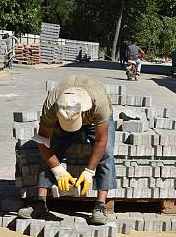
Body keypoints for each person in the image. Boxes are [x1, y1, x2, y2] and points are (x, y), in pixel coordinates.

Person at [18, 75, 116, 225]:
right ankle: (40, 204)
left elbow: (101, 140)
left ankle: (100, 205)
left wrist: (89, 172)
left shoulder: (99, 103)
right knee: (52, 150)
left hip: (93, 120)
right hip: (61, 120)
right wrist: (58, 170)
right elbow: (43, 142)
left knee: (107, 153)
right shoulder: (52, 105)